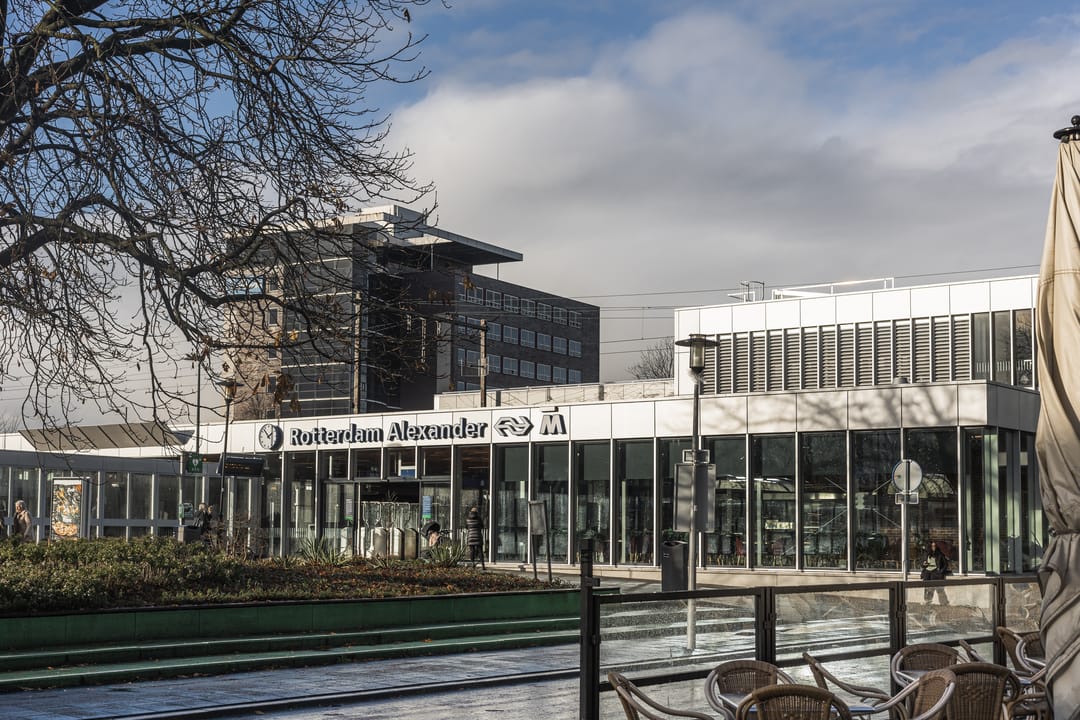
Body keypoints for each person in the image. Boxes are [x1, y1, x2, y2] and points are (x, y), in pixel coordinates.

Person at [921, 540, 950, 604]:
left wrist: (941, 571)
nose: (933, 547)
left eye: (934, 546)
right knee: (927, 587)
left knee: (938, 588)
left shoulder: (940, 554)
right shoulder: (926, 554)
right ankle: (927, 601)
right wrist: (924, 564)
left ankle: (944, 602)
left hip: (935, 572)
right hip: (927, 572)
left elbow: (945, 564)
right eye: (932, 546)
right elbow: (922, 564)